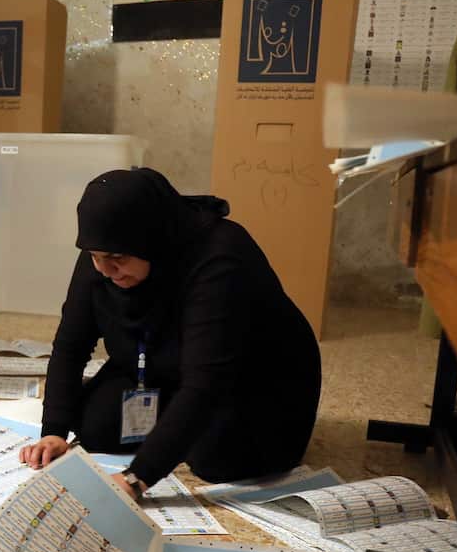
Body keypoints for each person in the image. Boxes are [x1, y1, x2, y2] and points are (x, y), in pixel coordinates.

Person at [19, 168, 321, 500]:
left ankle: (183, 426)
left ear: (151, 240)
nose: (104, 271)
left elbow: (207, 382)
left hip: (254, 379)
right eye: (95, 257)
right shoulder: (105, 251)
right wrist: (54, 432)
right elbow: (70, 345)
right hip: (164, 365)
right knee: (95, 428)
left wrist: (136, 479)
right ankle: (175, 420)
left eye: (116, 259)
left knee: (217, 458)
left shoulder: (221, 257)